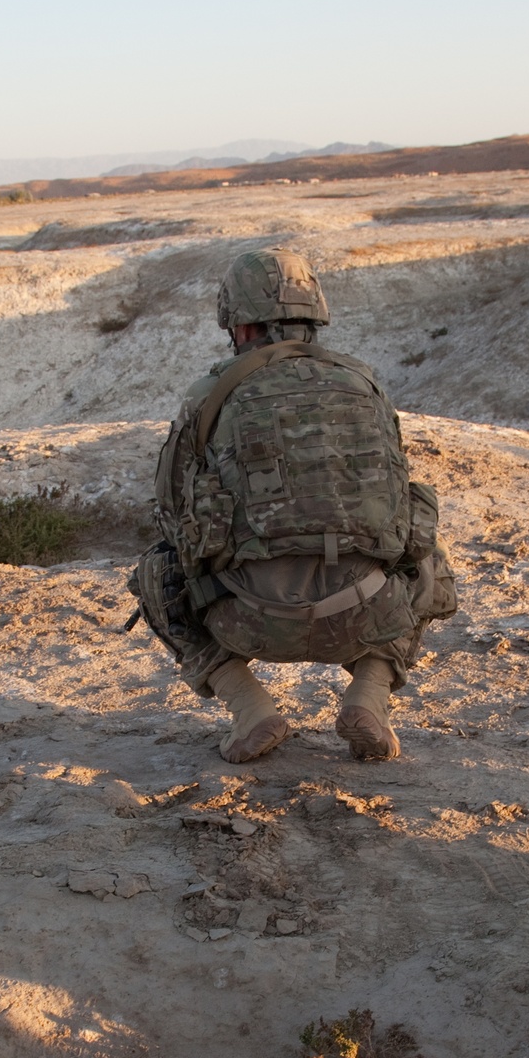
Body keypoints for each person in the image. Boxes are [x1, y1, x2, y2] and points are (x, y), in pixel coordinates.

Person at [129, 249, 456, 764]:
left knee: (156, 569)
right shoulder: (365, 384)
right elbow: (404, 515)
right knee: (431, 556)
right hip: (366, 611)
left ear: (238, 321)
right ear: (314, 314)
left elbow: (172, 513)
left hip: (246, 617)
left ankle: (250, 708)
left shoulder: (210, 394)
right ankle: (369, 694)